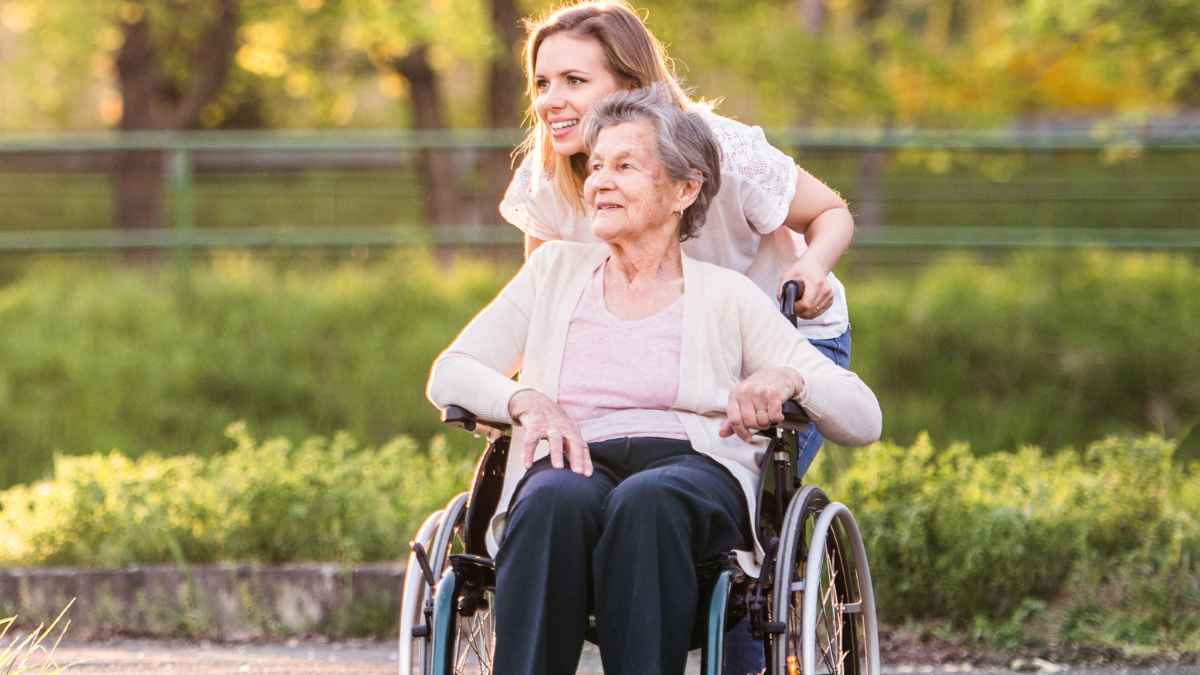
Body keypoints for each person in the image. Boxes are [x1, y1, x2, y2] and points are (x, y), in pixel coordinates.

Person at [428, 86, 881, 675]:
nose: (600, 182)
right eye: (596, 167)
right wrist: (524, 399)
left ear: (684, 190)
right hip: (573, 459)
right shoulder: (552, 273)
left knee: (648, 501)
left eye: (625, 166)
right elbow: (450, 372)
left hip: (692, 471)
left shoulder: (727, 295)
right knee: (549, 501)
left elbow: (863, 416)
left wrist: (790, 379)